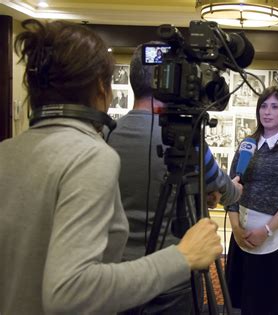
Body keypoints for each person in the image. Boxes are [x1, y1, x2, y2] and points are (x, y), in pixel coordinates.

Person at [0, 19, 222, 315]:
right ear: (101, 89)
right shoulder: (89, 155)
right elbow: (71, 291)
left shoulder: (6, 151)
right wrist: (182, 257)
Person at [107, 42, 243, 314]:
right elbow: (224, 189)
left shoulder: (106, 136)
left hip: (117, 277)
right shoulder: (185, 142)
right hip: (175, 273)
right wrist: (234, 190)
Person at [225, 86, 278, 315]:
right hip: (243, 232)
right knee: (249, 302)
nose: (267, 111)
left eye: (275, 106)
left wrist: (267, 230)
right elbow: (232, 188)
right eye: (263, 105)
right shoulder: (247, 144)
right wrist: (235, 228)